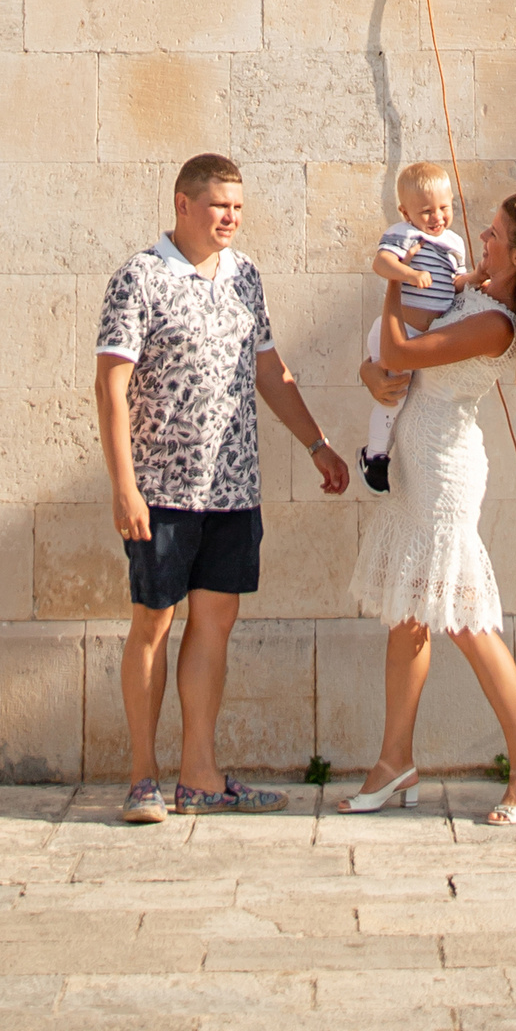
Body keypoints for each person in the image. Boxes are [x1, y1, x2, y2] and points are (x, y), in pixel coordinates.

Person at [95, 151, 351, 822]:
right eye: (218, 207)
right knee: (153, 621)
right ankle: (144, 777)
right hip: (162, 488)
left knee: (215, 627)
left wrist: (317, 443)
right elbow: (110, 385)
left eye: (237, 207)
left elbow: (269, 369)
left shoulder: (245, 278)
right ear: (183, 205)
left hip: (233, 487)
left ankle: (201, 776)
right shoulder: (139, 279)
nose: (230, 218)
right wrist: (124, 486)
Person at [344, 189, 516, 826]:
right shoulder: (475, 291)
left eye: (496, 234)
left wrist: (396, 279)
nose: (483, 237)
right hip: (412, 464)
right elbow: (392, 368)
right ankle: (394, 760)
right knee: (409, 614)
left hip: (446, 473)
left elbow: (400, 351)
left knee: (466, 622)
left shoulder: (495, 322)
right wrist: (371, 378)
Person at [359, 159, 469, 492]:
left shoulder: (454, 243)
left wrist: (476, 279)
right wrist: (409, 274)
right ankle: (375, 454)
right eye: (426, 212)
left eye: (443, 208)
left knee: (406, 399)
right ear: (405, 213)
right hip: (398, 329)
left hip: (425, 336)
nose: (437, 218)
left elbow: (457, 281)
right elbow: (382, 262)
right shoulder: (403, 234)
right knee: (391, 396)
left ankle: (386, 455)